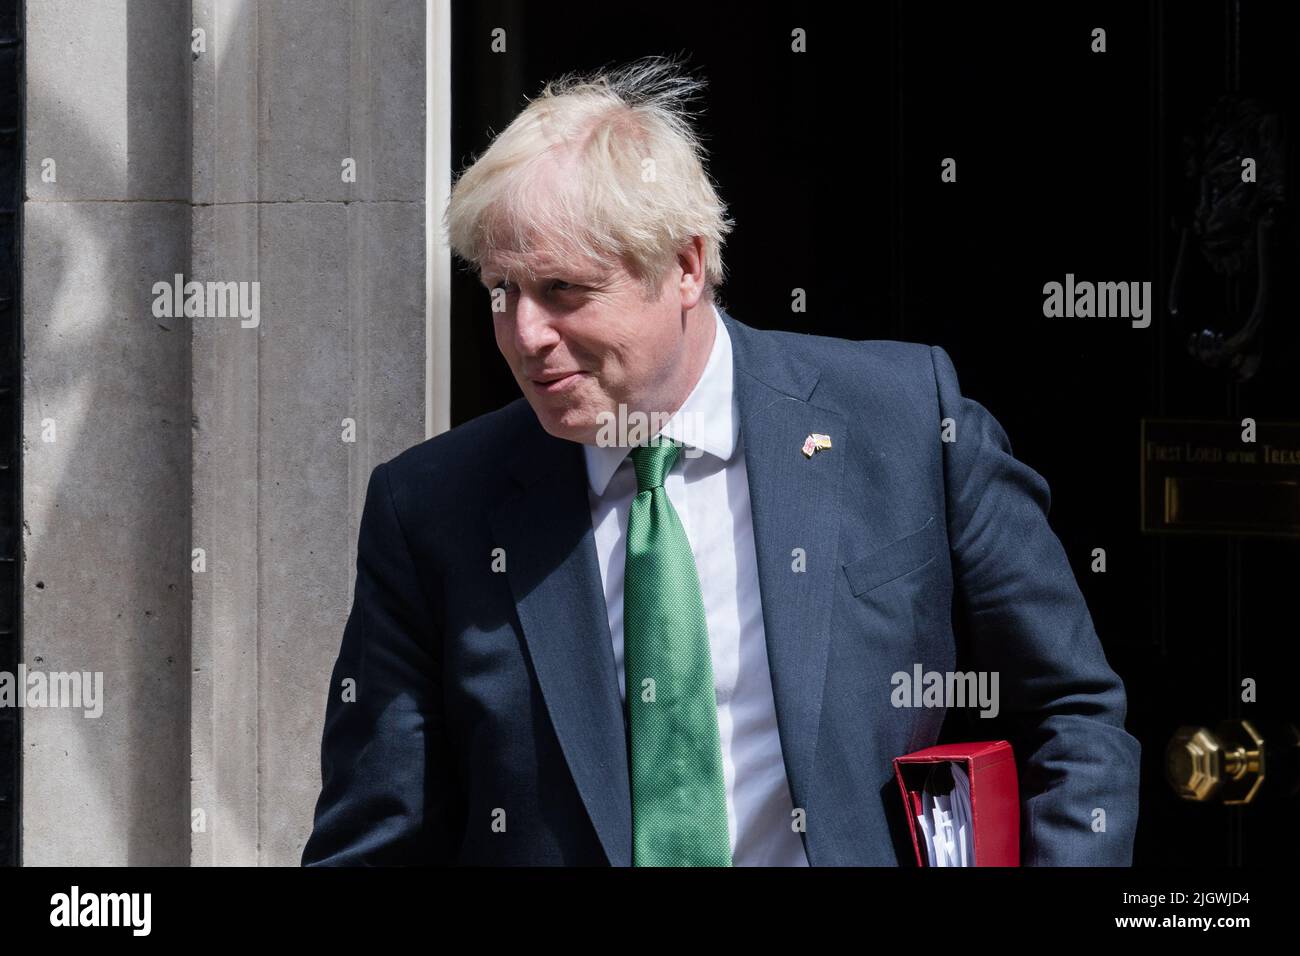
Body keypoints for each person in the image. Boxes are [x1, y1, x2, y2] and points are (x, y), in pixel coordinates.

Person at [301, 56, 1140, 866]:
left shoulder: (906, 419)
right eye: (500, 292)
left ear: (686, 266)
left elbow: (1073, 713)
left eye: (563, 291)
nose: (525, 336)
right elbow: (377, 839)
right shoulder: (433, 507)